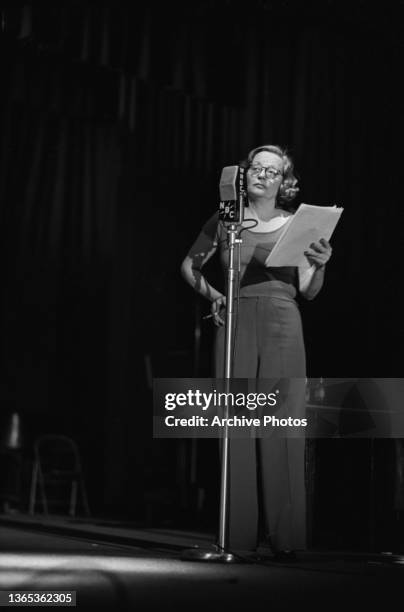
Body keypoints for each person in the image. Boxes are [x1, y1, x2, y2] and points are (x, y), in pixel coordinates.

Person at [181, 144, 333, 556]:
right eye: (255, 167)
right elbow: (189, 266)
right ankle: (238, 537)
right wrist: (216, 295)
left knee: (281, 428)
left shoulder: (297, 224)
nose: (261, 174)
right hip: (236, 322)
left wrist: (319, 263)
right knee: (236, 427)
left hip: (283, 321)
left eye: (272, 170)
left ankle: (286, 540)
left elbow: (309, 291)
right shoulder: (228, 220)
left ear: (285, 182)